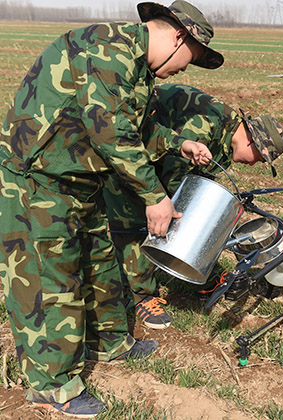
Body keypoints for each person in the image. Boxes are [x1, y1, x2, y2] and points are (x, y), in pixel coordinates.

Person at [0, 1, 223, 417]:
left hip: (81, 177)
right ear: (178, 37)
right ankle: (53, 387)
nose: (183, 72)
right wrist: (155, 197)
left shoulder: (137, 66)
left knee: (100, 261)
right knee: (53, 279)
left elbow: (134, 124)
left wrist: (180, 143)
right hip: (40, 179)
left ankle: (112, 342)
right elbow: (110, 130)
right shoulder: (107, 48)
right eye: (188, 61)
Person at [104, 83, 283, 329]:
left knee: (188, 215)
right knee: (140, 220)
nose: (255, 165)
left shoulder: (226, 138)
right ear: (252, 142)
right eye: (260, 158)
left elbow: (201, 181)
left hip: (162, 153)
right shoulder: (203, 127)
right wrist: (164, 207)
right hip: (131, 148)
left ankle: (206, 278)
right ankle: (142, 296)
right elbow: (172, 179)